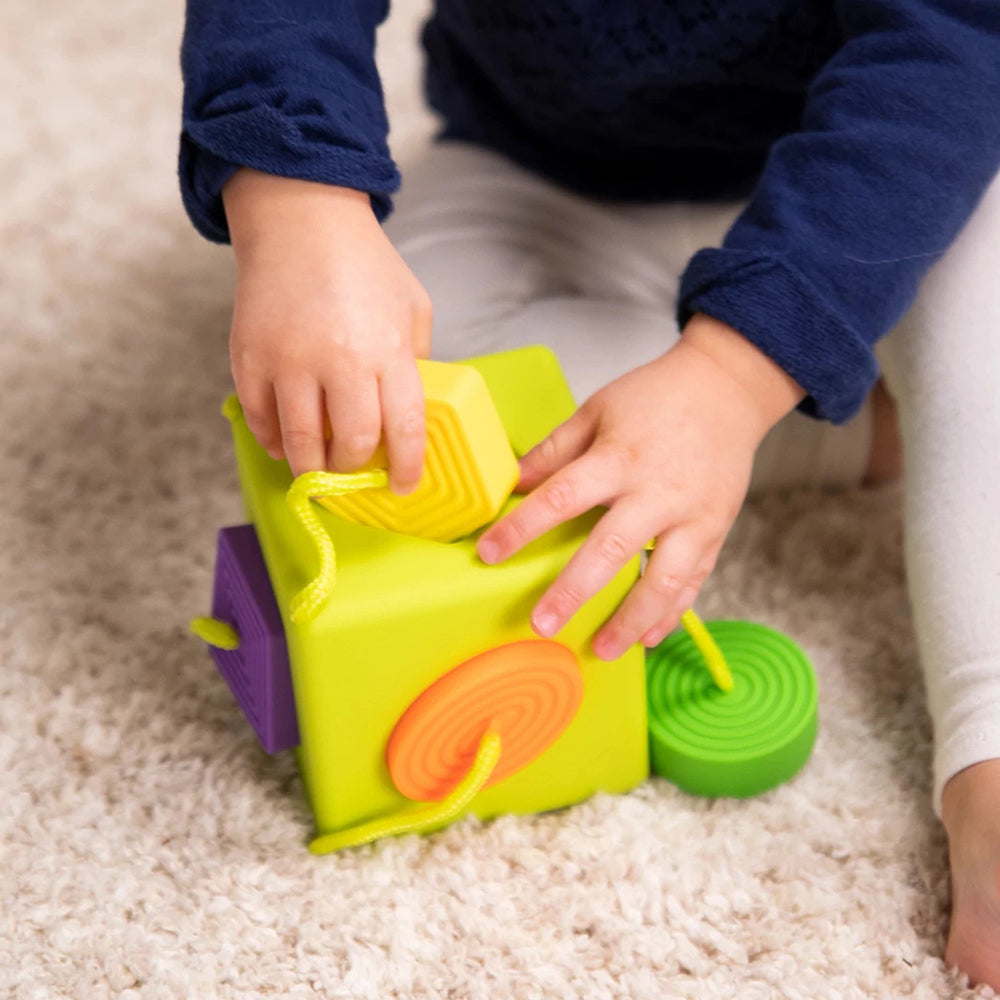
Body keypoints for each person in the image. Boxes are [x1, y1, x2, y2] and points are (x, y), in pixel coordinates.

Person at [178, 0, 1000, 985]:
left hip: (896, 167)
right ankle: (862, 425)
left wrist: (735, 376)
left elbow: (947, 53)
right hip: (537, 165)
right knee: (417, 424)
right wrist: (296, 201)